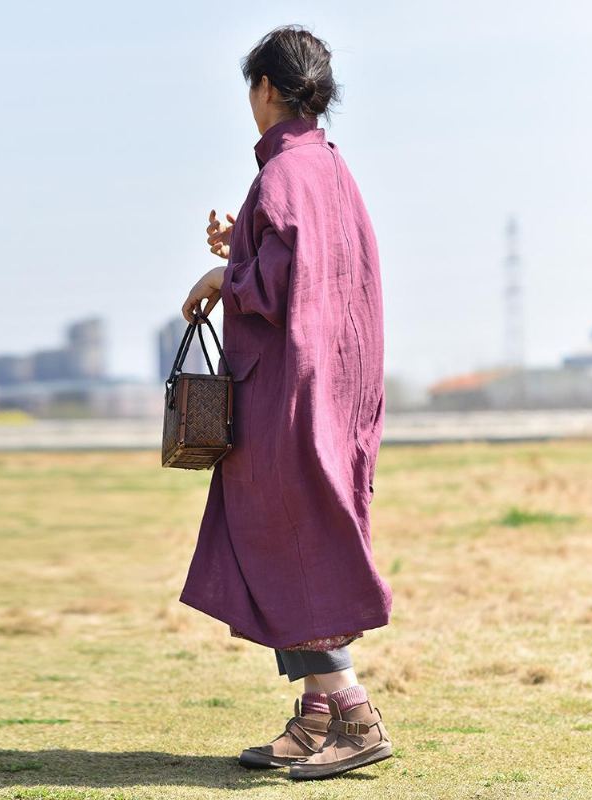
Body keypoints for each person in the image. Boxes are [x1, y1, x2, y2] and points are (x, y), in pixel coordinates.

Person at [178, 25, 393, 780]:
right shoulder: (329, 169)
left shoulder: (281, 174)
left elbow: (271, 288)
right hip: (339, 389)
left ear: (266, 90)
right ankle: (313, 719)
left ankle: (354, 711)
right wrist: (240, 245)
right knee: (304, 533)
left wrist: (218, 279)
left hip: (287, 395)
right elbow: (312, 264)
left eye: (251, 89)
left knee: (289, 540)